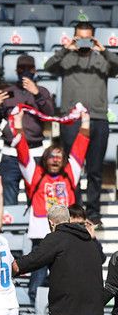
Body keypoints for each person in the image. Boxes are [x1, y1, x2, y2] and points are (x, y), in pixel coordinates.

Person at [43, 21, 118, 227]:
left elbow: (117, 66)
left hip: (98, 119)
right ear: (75, 37)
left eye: (88, 38)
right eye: (80, 37)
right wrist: (66, 48)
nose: (84, 42)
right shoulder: (66, 58)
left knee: (95, 170)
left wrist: (104, 50)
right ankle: (75, 212)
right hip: (72, 120)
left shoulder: (101, 59)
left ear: (93, 38)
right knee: (72, 169)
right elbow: (48, 66)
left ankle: (93, 213)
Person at [11, 106, 89, 303]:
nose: (55, 161)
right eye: (51, 157)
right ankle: (32, 303)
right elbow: (22, 151)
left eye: (59, 158)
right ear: (45, 159)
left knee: (65, 272)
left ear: (64, 161)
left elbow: (81, 146)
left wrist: (86, 121)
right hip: (41, 232)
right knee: (38, 272)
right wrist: (18, 123)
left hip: (67, 233)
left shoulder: (70, 173)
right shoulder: (35, 174)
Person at [0, 55, 55, 205]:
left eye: (29, 68)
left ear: (35, 70)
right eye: (21, 68)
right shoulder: (7, 92)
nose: (25, 71)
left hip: (34, 152)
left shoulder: (42, 91)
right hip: (11, 153)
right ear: (16, 71)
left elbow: (49, 114)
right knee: (8, 200)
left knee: (37, 199)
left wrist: (36, 93)